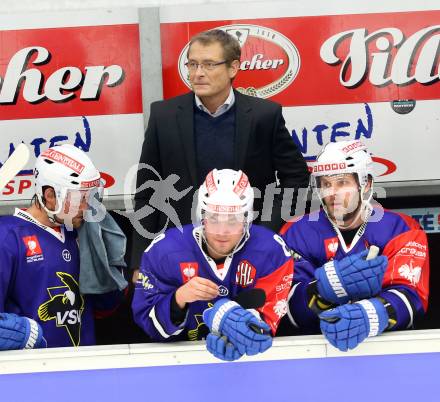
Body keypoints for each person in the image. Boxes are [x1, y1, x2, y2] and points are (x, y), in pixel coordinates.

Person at [130, 28, 309, 270]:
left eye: (209, 64)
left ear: (233, 68)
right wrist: (140, 260)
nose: (198, 73)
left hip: (247, 251)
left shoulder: (264, 116)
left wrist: (264, 229)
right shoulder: (164, 116)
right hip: (180, 250)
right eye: (192, 65)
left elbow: (296, 177)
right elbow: (147, 192)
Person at [279, 140, 429, 351]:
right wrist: (324, 289)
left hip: (389, 351)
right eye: (326, 184)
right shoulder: (296, 232)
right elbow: (288, 310)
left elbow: (411, 297)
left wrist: (371, 314)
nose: (333, 192)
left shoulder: (402, 228)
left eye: (342, 183)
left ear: (365, 184)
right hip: (315, 351)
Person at [132, 169, 294, 361]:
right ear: (201, 215)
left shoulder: (272, 251)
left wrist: (238, 332)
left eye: (232, 220)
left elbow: (265, 326)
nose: (222, 231)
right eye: (214, 218)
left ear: (247, 218)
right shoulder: (164, 251)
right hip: (180, 364)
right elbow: (146, 323)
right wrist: (179, 298)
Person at [0, 144, 117, 350]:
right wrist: (23, 334)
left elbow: (105, 309)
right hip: (29, 375)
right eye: (79, 198)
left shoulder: (81, 232)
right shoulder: (8, 237)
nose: (86, 207)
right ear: (50, 195)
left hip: (84, 367)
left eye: (89, 197)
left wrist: (108, 272)